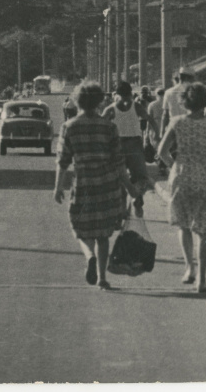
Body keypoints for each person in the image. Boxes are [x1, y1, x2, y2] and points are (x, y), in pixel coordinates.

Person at [54, 82, 137, 290]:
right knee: (103, 233)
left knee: (82, 228)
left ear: (77, 101)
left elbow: (63, 161)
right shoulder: (109, 127)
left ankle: (89, 256)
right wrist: (130, 188)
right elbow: (119, 162)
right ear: (99, 101)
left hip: (83, 183)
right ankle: (102, 278)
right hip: (107, 185)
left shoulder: (69, 127)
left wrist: (58, 187)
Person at [157, 82, 206, 293]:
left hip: (182, 175)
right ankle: (202, 280)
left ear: (184, 102)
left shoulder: (177, 122)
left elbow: (162, 151)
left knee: (184, 225)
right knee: (204, 230)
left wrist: (174, 166)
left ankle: (189, 268)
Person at [101, 81, 149, 217]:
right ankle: (137, 196)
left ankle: (121, 210)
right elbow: (150, 119)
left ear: (117, 94)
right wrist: (156, 134)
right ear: (130, 93)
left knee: (120, 178)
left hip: (117, 146)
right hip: (135, 145)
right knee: (141, 178)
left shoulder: (110, 109)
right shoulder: (137, 106)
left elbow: (100, 125)